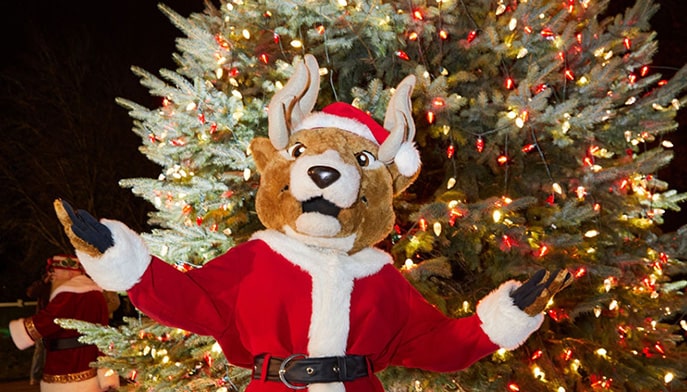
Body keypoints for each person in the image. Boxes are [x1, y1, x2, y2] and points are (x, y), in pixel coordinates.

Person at [8, 255, 119, 392]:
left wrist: (21, 330)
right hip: (90, 365)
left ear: (70, 272)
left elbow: (49, 320)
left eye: (55, 270)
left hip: (66, 366)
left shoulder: (68, 294)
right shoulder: (96, 294)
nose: (51, 274)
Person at [25, 269, 51, 385]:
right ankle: (34, 376)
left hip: (55, 321)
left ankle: (47, 375)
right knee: (40, 349)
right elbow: (31, 293)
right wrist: (44, 282)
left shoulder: (60, 284)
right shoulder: (41, 284)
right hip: (41, 321)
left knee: (50, 349)